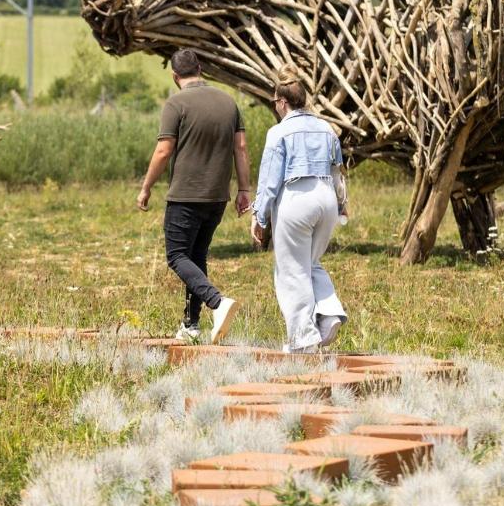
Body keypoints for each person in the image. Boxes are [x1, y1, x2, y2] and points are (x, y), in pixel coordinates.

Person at [138, 49, 251, 343]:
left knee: (176, 256)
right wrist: (243, 189)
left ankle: (217, 302)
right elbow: (240, 148)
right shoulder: (228, 102)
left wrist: (146, 186)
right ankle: (190, 324)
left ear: (175, 76)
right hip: (217, 197)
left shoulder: (176, 104)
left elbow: (164, 151)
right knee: (196, 257)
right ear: (200, 68)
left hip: (186, 195)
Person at [250, 67, 348, 352]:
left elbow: (270, 179)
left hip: (297, 197)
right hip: (326, 197)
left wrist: (260, 215)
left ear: (282, 102)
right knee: (310, 263)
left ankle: (303, 338)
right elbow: (338, 171)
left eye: (274, 102)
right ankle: (328, 314)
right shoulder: (327, 128)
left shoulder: (279, 132)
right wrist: (341, 206)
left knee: (291, 270)